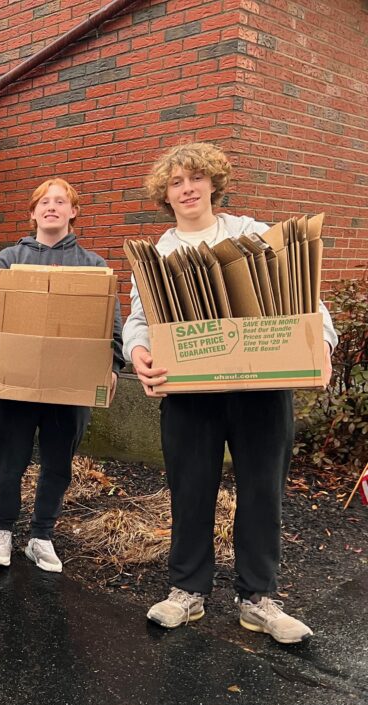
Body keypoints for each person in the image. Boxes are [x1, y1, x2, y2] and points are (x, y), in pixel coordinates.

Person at [126, 142, 337, 643]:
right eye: (176, 182)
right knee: (190, 490)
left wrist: (323, 345)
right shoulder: (157, 256)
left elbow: (303, 296)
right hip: (189, 394)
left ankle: (258, 599)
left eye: (196, 178)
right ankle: (187, 591)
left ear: (213, 184)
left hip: (260, 390)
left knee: (263, 491)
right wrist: (138, 352)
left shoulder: (250, 234)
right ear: (165, 195)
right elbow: (138, 319)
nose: (187, 189)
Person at [0, 179, 125, 572]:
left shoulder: (92, 265)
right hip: (16, 379)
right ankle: (3, 531)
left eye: (61, 201)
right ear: (33, 212)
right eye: (44, 202)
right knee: (9, 459)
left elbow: (111, 319)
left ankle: (41, 536)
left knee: (58, 463)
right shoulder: (10, 259)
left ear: (73, 212)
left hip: (71, 384)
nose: (52, 207)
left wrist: (113, 365)